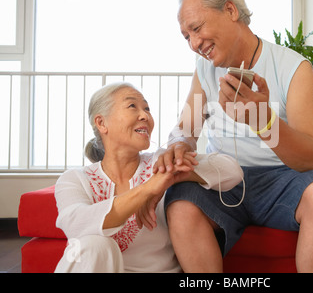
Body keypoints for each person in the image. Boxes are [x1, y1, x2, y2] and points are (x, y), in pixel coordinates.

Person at [156, 0, 313, 273]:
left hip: (281, 180)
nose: (194, 44)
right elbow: (187, 127)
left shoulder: (293, 68)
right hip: (223, 180)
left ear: (230, 10)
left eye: (197, 28)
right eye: (186, 37)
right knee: (180, 204)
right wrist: (178, 145)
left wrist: (264, 122)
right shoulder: (204, 68)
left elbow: (311, 158)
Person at [54, 82, 243, 273]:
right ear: (102, 123)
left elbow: (231, 170)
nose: (145, 115)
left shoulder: (161, 163)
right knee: (94, 245)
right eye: (132, 106)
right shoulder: (75, 179)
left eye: (147, 108)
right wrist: (148, 189)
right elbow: (76, 225)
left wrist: (173, 177)